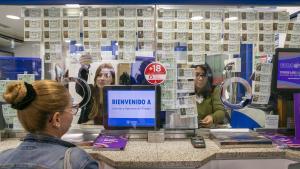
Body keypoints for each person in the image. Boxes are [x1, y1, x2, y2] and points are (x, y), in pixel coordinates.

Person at [0, 80, 99, 169]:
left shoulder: (3, 158)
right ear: (56, 119)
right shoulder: (77, 161)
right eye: (71, 109)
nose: (73, 114)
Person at [76, 54, 115, 125]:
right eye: (99, 75)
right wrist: (84, 68)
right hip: (86, 133)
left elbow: (116, 121)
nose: (102, 78)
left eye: (106, 76)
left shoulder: (115, 96)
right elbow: (79, 88)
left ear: (112, 80)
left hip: (107, 133)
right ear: (95, 78)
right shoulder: (90, 91)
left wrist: (94, 122)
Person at [193, 63, 226, 128]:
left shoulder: (214, 90)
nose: (200, 78)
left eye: (203, 75)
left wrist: (212, 117)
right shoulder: (184, 90)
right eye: (196, 75)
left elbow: (221, 112)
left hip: (207, 130)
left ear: (208, 77)